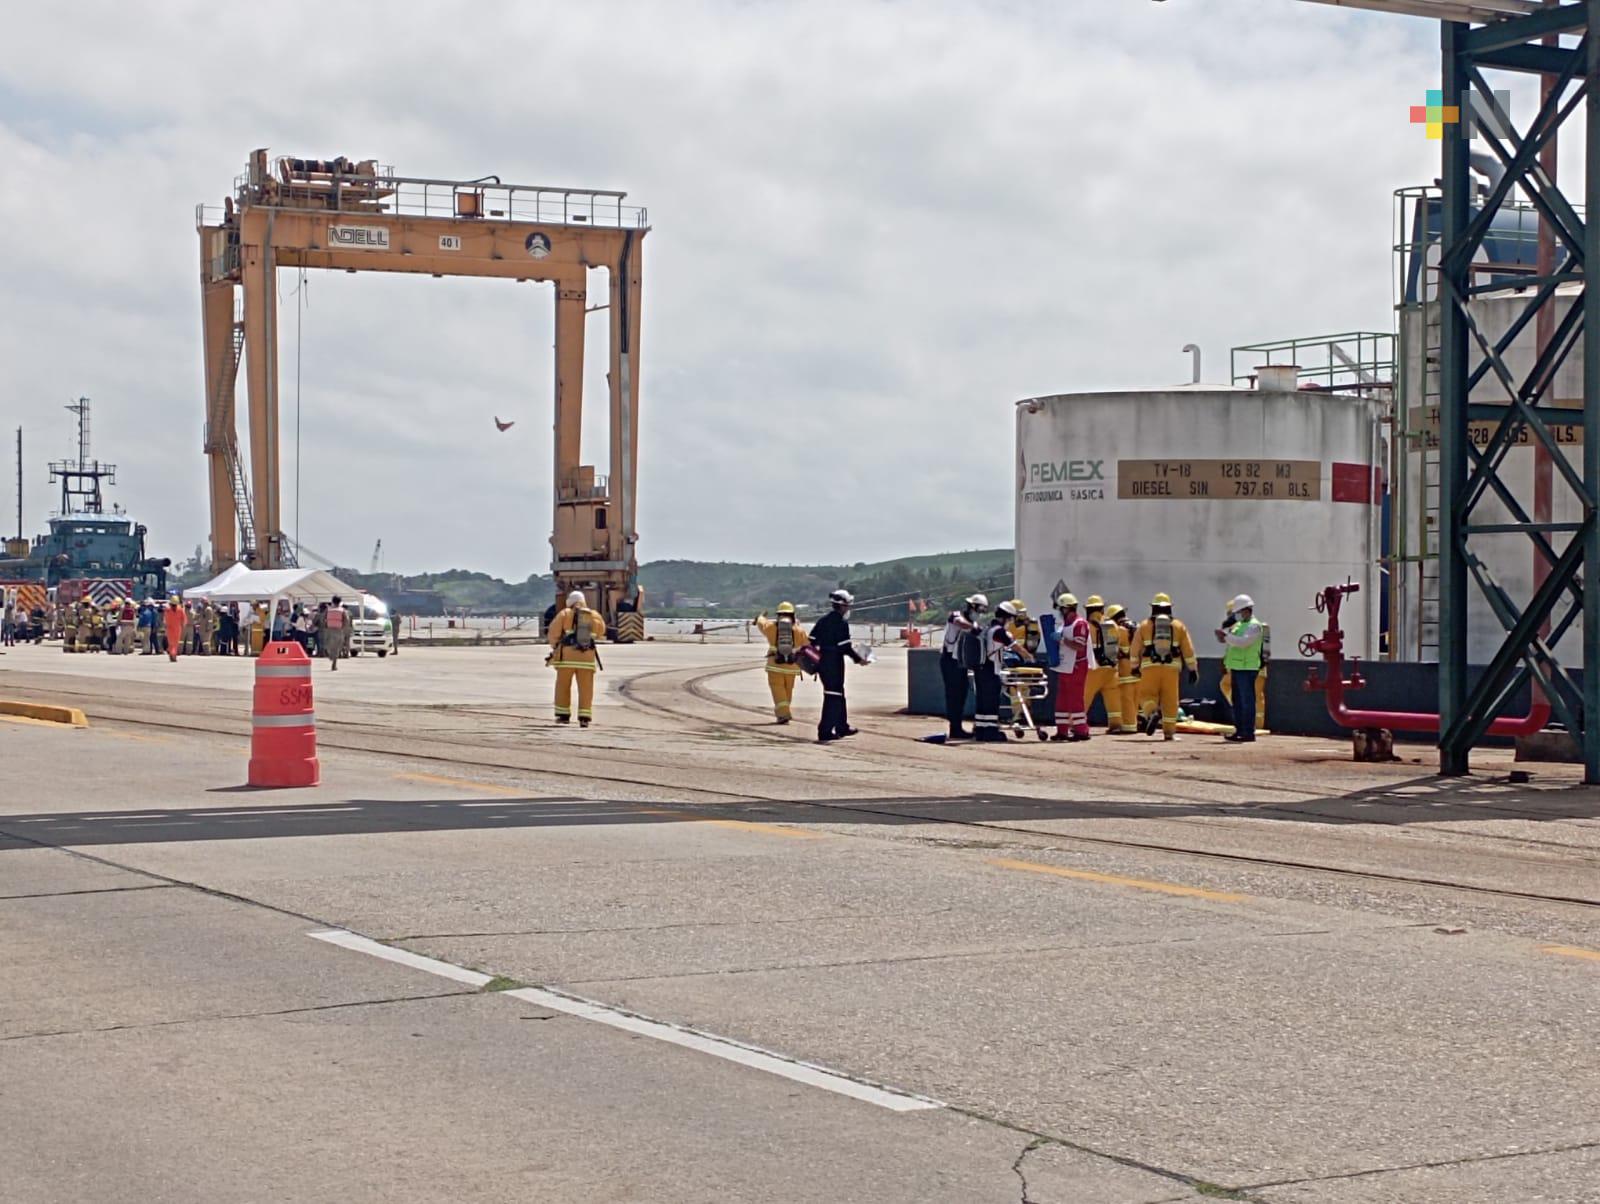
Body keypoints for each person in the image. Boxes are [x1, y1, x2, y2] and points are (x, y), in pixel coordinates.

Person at [1131, 592, 1198, 742]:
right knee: (1170, 699)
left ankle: (1152, 713)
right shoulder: (1178, 626)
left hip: (1149, 667)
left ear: (1153, 608)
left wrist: (1134, 666)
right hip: (1171, 668)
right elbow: (1188, 649)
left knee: (1147, 696)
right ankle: (1169, 733)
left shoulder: (1144, 625)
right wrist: (1193, 669)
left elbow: (1134, 649)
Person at [810, 589, 867, 743]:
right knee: (832, 697)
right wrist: (859, 659)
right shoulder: (841, 623)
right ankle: (825, 731)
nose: (848, 609)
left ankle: (842, 726)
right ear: (843, 606)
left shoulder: (823, 620)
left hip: (822, 664)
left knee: (838, 695)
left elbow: (811, 641)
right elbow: (845, 647)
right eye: (848, 606)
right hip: (833, 665)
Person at [547, 590, 604, 726]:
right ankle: (584, 717)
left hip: (566, 658)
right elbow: (601, 632)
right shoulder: (593, 615)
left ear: (569, 602)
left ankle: (563, 715)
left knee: (563, 686)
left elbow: (553, 633)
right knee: (586, 688)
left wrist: (555, 647)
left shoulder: (565, 613)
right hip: (587, 659)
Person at [1216, 594, 1265, 743]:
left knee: (1247, 700)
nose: (1236, 615)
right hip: (1236, 667)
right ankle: (1239, 730)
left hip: (1248, 668)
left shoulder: (1254, 626)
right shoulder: (1238, 625)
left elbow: (1244, 643)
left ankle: (1248, 732)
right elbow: (1231, 642)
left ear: (1247, 610)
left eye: (1238, 611)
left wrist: (1226, 637)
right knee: (1237, 700)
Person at [938, 594, 987, 741]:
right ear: (972, 606)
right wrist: (975, 629)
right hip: (949, 661)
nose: (980, 613)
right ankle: (955, 728)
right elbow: (961, 623)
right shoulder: (956, 616)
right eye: (979, 609)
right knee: (953, 694)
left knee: (962, 694)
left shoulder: (973, 622)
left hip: (962, 662)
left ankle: (957, 727)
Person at [755, 602, 810, 724]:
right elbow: (807, 646)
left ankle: (783, 713)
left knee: (777, 689)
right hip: (792, 666)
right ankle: (785, 711)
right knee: (787, 690)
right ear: (792, 615)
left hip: (775, 665)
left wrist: (761, 616)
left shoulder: (771, 627)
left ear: (778, 615)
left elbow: (761, 623)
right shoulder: (798, 630)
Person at [1051, 593, 1094, 742]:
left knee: (1076, 699)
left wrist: (1062, 640)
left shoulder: (1079, 624)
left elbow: (1078, 645)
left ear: (1067, 608)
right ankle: (1062, 730)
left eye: (1061, 609)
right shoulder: (1064, 625)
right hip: (1064, 666)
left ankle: (1081, 730)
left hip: (1077, 665)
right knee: (1062, 699)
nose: (1060, 612)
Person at [971, 600, 1016, 743]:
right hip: (991, 670)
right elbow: (1014, 646)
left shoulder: (987, 628)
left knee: (982, 700)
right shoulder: (999, 631)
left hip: (980, 668)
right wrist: (1029, 657)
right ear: (1006, 617)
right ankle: (990, 731)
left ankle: (980, 729)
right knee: (991, 700)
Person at [1081, 596, 1125, 735]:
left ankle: (1076, 724)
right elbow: (1121, 644)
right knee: (1113, 697)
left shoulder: (1085, 626)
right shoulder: (1113, 625)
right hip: (1111, 669)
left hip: (1094, 669)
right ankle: (1116, 724)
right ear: (1102, 609)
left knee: (1084, 697)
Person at [1108, 604, 1140, 735]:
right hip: (1139, 669)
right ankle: (1140, 722)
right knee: (1137, 699)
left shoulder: (1119, 630)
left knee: (1126, 701)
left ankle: (1129, 727)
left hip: (1125, 670)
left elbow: (1115, 650)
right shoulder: (1137, 626)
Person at [322, 596, 349, 670]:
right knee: (337, 648)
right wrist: (343, 628)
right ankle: (334, 662)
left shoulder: (328, 610)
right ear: (340, 602)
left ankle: (332, 658)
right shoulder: (342, 610)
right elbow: (346, 620)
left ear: (332, 601)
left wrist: (325, 626)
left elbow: (323, 619)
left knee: (328, 645)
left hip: (329, 630)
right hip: (338, 630)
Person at [163, 597, 186, 663]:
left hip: (169, 628)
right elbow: (184, 619)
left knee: (171, 643)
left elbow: (165, 619)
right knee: (175, 644)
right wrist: (183, 625)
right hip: (177, 628)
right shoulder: (180, 609)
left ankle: (171, 653)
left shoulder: (167, 610)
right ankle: (173, 655)